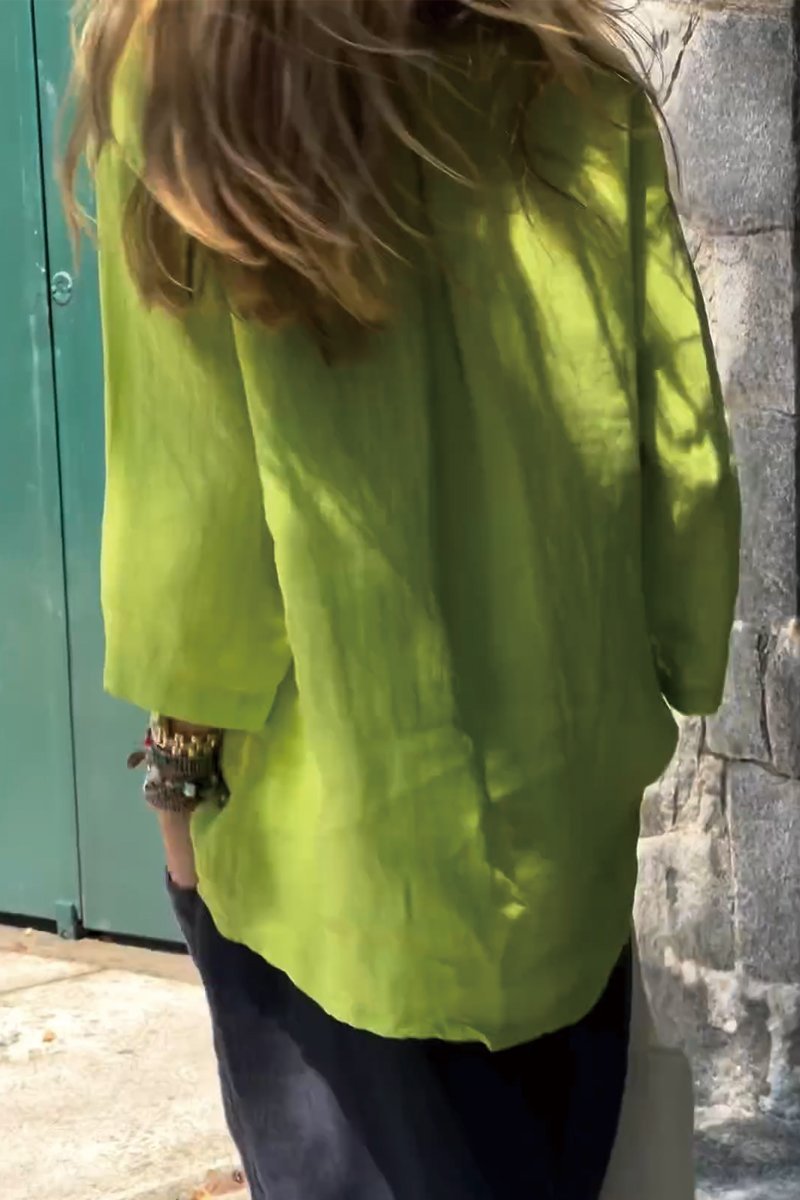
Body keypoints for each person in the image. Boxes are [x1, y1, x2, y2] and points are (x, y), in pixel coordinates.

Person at [64, 2, 740, 1197]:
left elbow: (193, 520)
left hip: (330, 861)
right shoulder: (571, 90)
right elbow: (680, 456)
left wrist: (177, 777)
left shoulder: (189, 90)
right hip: (560, 834)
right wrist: (680, 660)